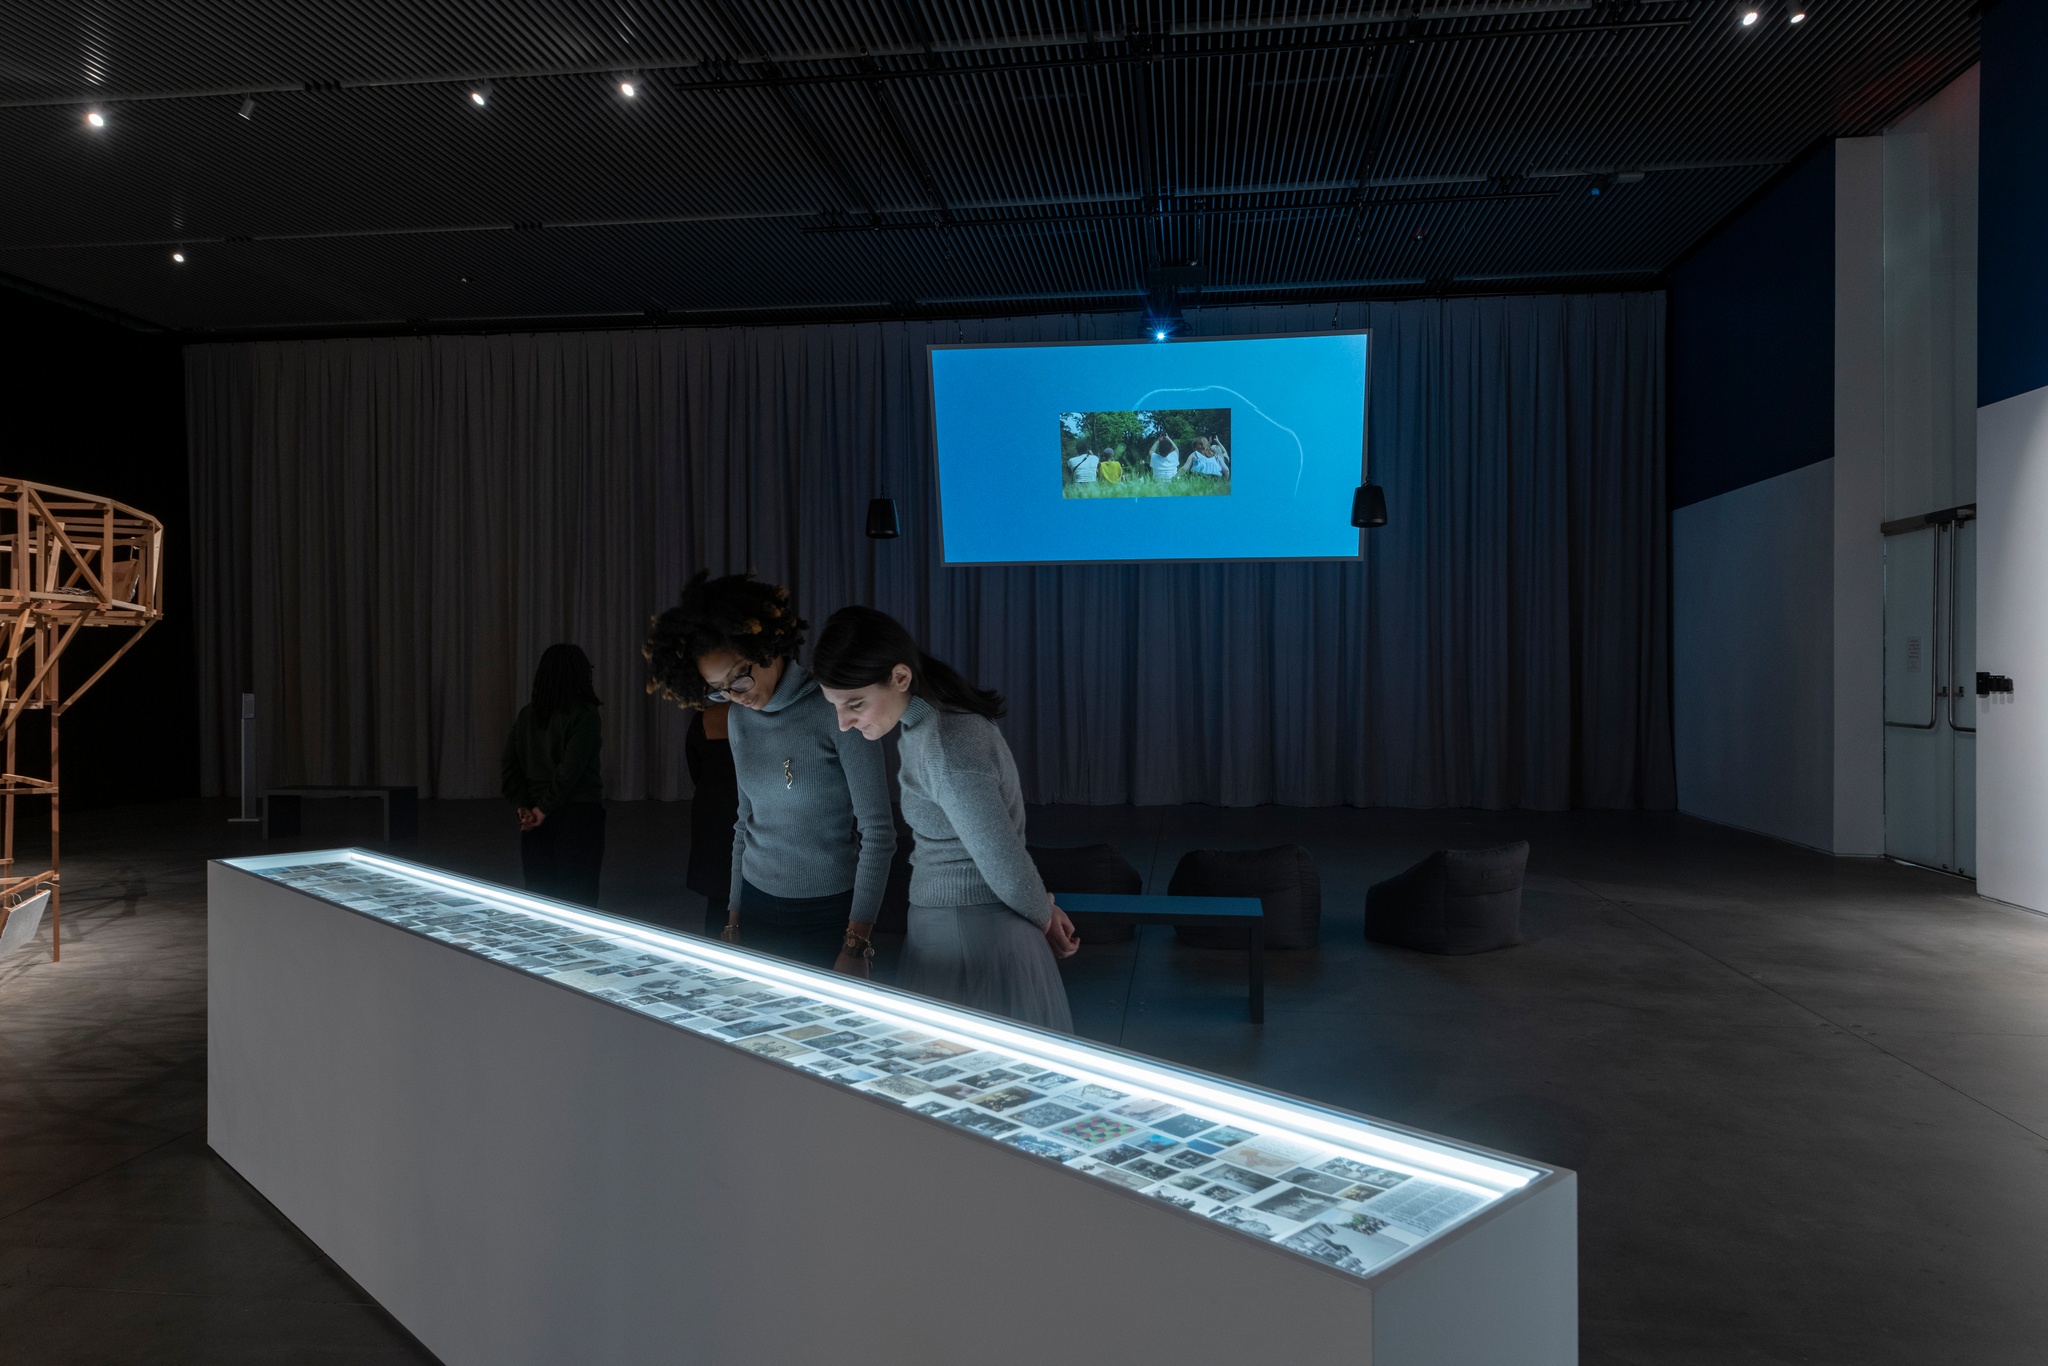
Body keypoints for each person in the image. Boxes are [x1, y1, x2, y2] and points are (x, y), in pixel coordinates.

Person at [812, 606, 1077, 1031]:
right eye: (836, 707)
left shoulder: (947, 742)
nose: (844, 724)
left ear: (900, 677)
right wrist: (1041, 908)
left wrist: (1044, 915)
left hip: (974, 937)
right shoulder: (929, 729)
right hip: (963, 930)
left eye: (855, 704)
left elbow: (1000, 857)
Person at [644, 572, 895, 974]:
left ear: (768, 646)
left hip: (828, 912)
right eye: (719, 689)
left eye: (739, 677)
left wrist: (857, 941)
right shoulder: (738, 719)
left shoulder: (836, 709)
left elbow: (879, 833)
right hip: (756, 906)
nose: (735, 696)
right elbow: (744, 822)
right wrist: (733, 918)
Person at [501, 643, 606, 905]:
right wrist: (541, 809)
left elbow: (509, 764)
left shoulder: (528, 714)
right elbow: (570, 771)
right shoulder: (584, 715)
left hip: (534, 819)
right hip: (577, 818)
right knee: (578, 900)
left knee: (541, 901)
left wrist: (524, 806)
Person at [683, 702, 739, 934]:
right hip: (745, 808)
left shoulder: (703, 718)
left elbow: (694, 765)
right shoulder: (758, 714)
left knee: (717, 897)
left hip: (713, 809)